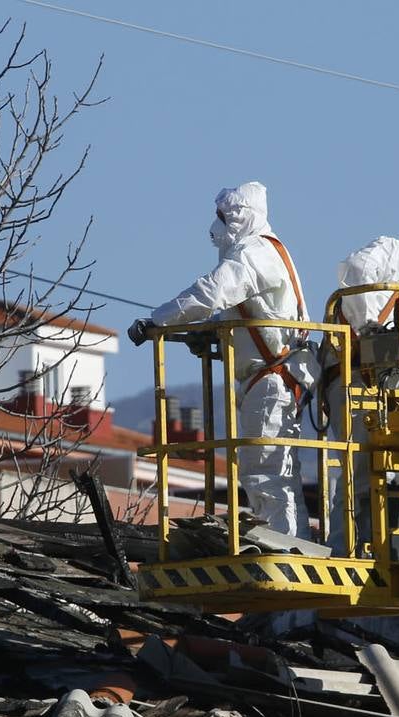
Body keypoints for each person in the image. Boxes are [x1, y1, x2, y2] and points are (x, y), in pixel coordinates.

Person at [128, 182, 314, 538]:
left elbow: (212, 291)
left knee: (266, 474)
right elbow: (236, 311)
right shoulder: (261, 252)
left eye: (223, 216)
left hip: (271, 379)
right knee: (269, 472)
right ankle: (289, 544)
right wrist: (209, 331)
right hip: (269, 379)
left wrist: (159, 320)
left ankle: (289, 550)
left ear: (241, 217)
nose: (216, 225)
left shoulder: (254, 254)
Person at [324, 219, 399, 555]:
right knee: (361, 468)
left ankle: (378, 547)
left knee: (386, 468)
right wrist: (368, 324)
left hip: (378, 383)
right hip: (356, 379)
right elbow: (354, 266)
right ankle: (343, 549)